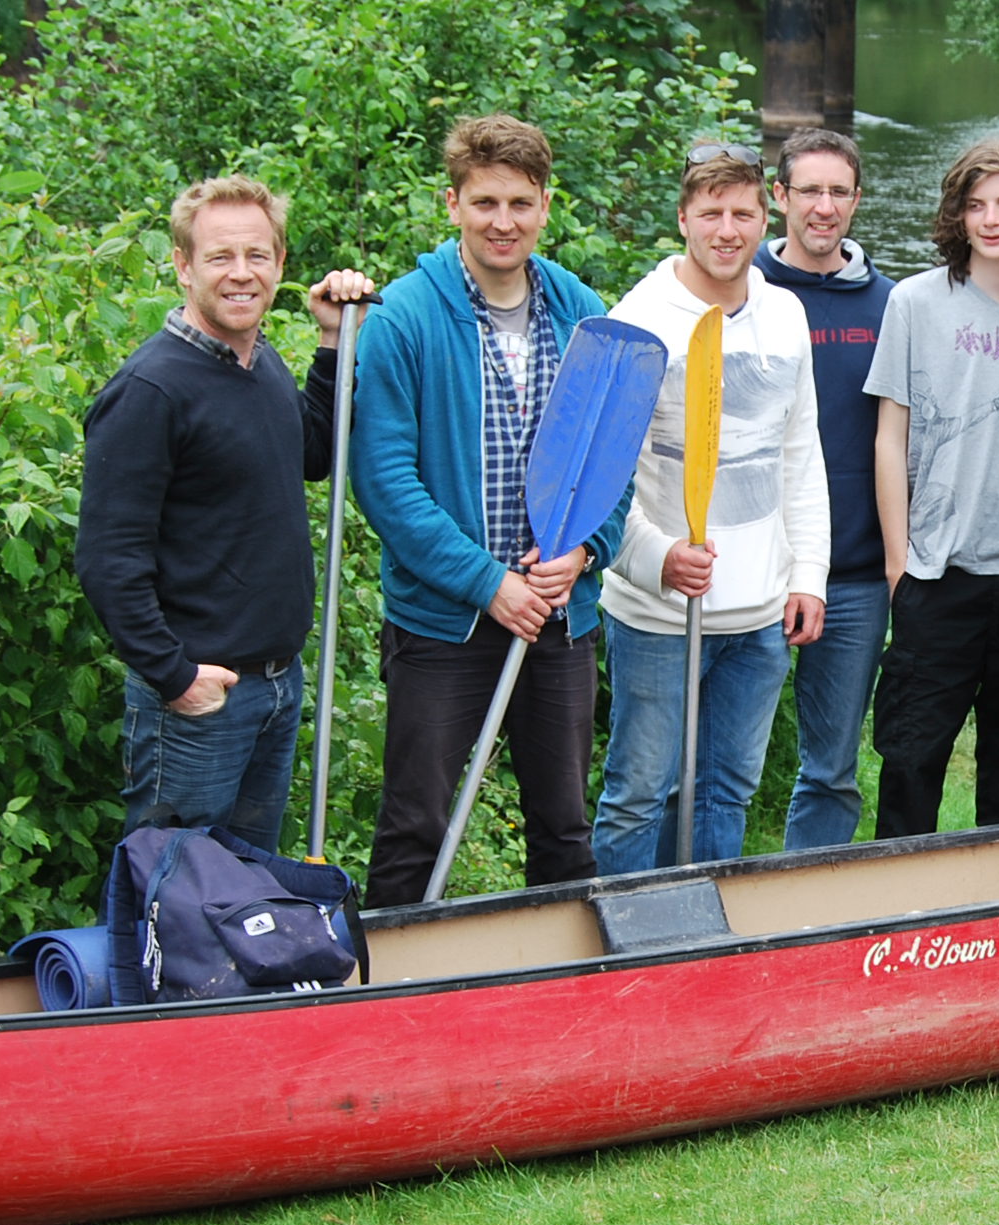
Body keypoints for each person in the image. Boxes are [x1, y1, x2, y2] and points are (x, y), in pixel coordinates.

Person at [347, 115, 622, 905]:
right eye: (485, 202)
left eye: (520, 203)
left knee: (565, 828)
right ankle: (393, 999)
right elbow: (385, 482)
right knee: (415, 823)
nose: (503, 222)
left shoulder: (582, 311)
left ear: (544, 205)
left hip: (560, 616)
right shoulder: (405, 317)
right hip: (445, 620)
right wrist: (488, 583)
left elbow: (614, 460)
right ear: (453, 203)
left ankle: (559, 998)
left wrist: (587, 553)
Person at [76, 176, 367, 854]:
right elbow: (106, 559)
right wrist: (175, 678)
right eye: (220, 257)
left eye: (258, 256)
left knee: (241, 901)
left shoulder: (257, 362)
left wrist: (330, 344)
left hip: (275, 687)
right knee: (171, 895)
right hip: (200, 702)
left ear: (280, 263)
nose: (242, 274)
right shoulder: (151, 389)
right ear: (182, 265)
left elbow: (314, 454)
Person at [594, 143, 830, 873]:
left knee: (725, 793)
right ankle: (624, 948)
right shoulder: (638, 319)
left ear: (766, 217)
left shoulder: (786, 314)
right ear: (683, 220)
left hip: (758, 614)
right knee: (640, 792)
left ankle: (702, 939)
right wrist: (656, 559)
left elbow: (800, 452)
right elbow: (604, 481)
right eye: (711, 214)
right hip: (660, 616)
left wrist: (809, 574)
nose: (727, 230)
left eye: (743, 213)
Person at [864, 137, 999, 837]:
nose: (990, 218)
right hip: (938, 572)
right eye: (974, 204)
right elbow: (891, 437)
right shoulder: (915, 302)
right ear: (956, 213)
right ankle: (899, 909)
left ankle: (997, 912)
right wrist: (898, 562)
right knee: (912, 755)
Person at [755, 128, 896, 851]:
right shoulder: (741, 289)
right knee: (720, 764)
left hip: (855, 575)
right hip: (749, 571)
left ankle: (811, 913)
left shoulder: (888, 306)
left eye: (839, 191)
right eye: (808, 189)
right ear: (780, 197)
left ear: (857, 201)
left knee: (832, 768)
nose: (824, 206)